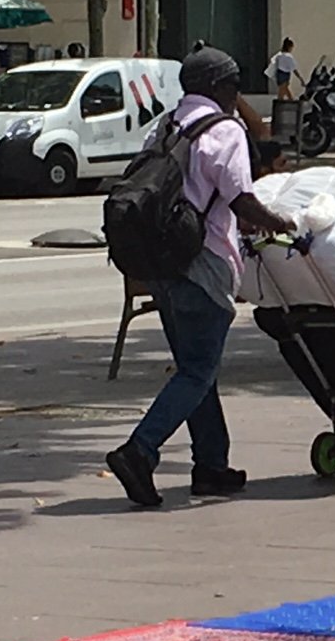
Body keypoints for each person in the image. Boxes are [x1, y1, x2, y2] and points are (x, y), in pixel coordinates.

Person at [106, 46, 296, 510]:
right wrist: (282, 223)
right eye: (232, 86)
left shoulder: (169, 125)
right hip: (203, 264)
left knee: (198, 369)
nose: (236, 96)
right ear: (220, 88)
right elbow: (241, 201)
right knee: (197, 371)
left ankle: (211, 465)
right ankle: (139, 451)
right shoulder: (224, 130)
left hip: (162, 267)